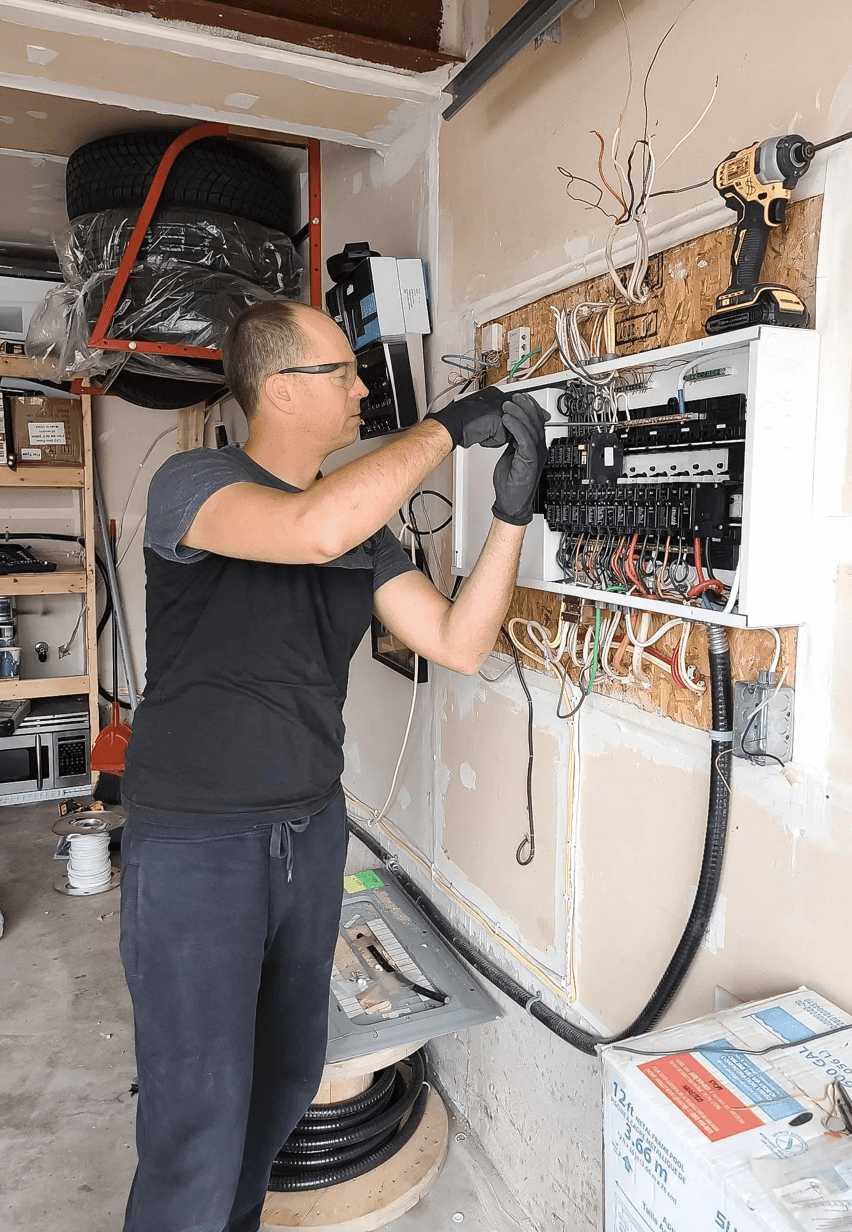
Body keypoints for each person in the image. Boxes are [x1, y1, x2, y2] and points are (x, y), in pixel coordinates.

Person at [117, 298, 548, 1232]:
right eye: (343, 372)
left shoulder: (364, 531)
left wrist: (515, 514)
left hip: (309, 835)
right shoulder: (195, 483)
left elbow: (457, 642)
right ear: (279, 389)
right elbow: (307, 528)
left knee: (277, 1093)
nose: (362, 386)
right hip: (197, 845)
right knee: (197, 1122)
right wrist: (442, 429)